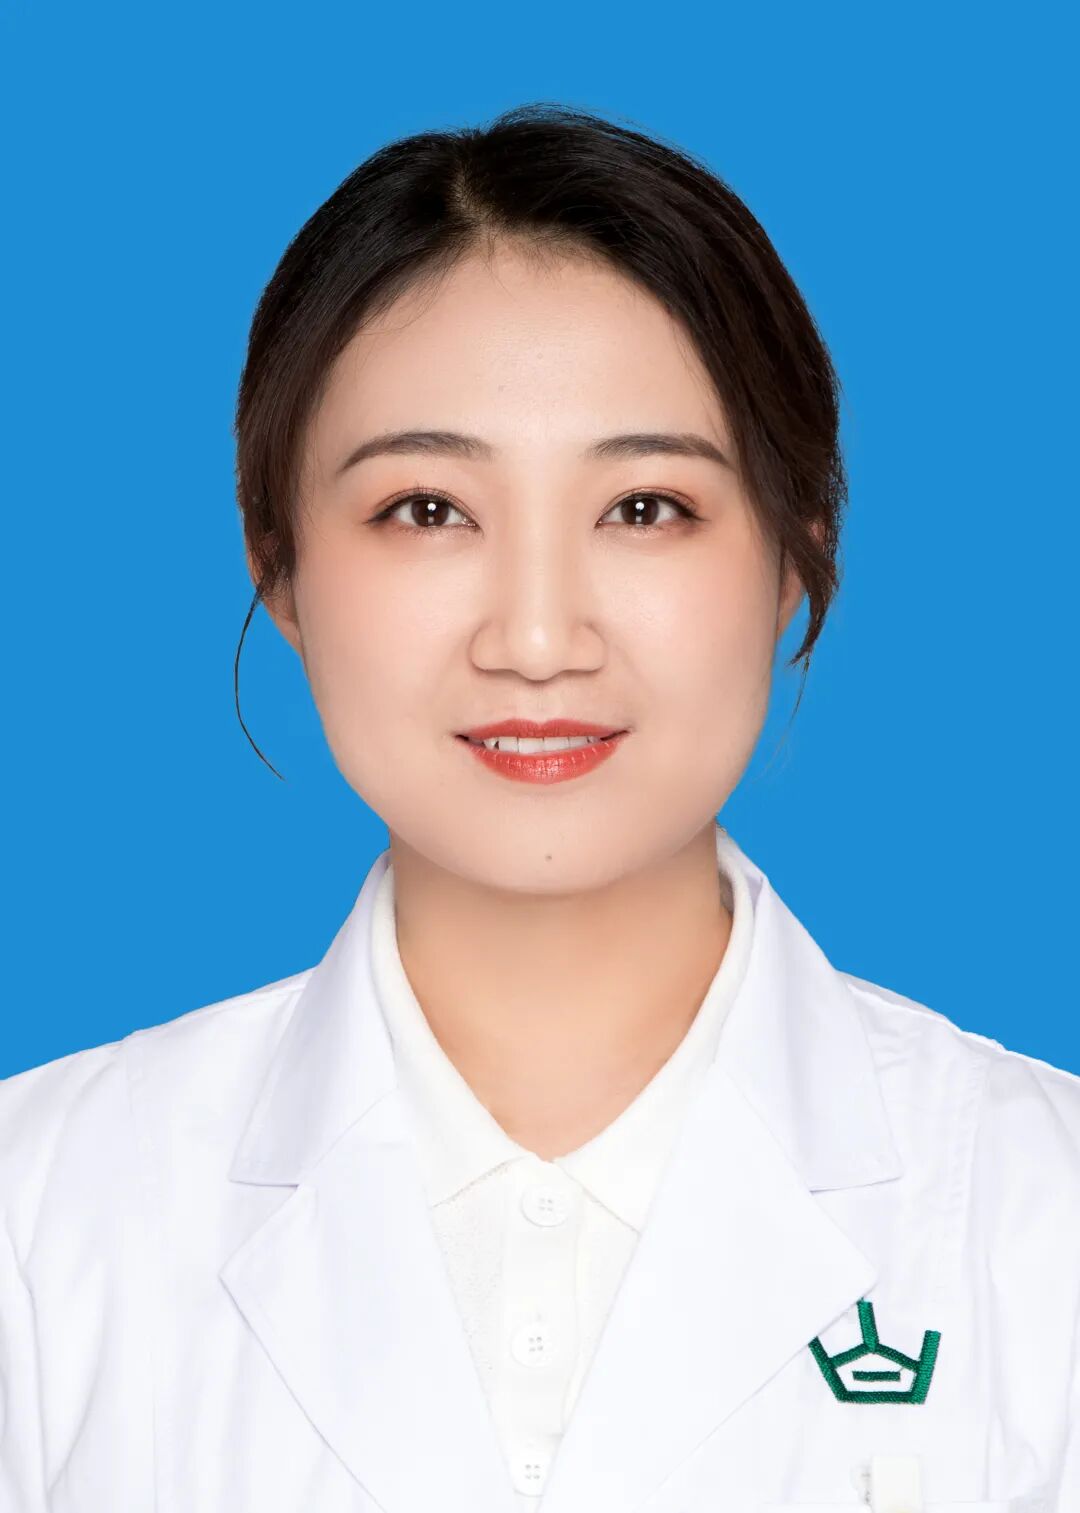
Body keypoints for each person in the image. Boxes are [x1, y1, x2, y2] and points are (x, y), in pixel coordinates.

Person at [0, 103, 1076, 1513]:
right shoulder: (40, 1218)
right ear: (280, 564)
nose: (537, 637)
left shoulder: (1040, 1217)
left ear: (795, 556)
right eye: (427, 510)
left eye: (644, 508)